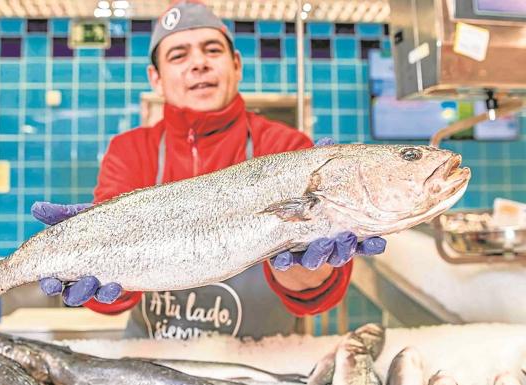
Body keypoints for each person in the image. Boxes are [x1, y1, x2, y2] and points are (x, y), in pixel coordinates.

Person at [31, 0, 386, 340]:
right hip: (157, 360)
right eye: (178, 55)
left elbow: (317, 296)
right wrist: (92, 279)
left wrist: (305, 267)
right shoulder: (130, 150)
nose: (199, 63)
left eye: (212, 50)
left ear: (236, 65)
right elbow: (114, 294)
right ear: (156, 78)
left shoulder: (287, 147)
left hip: (259, 363)